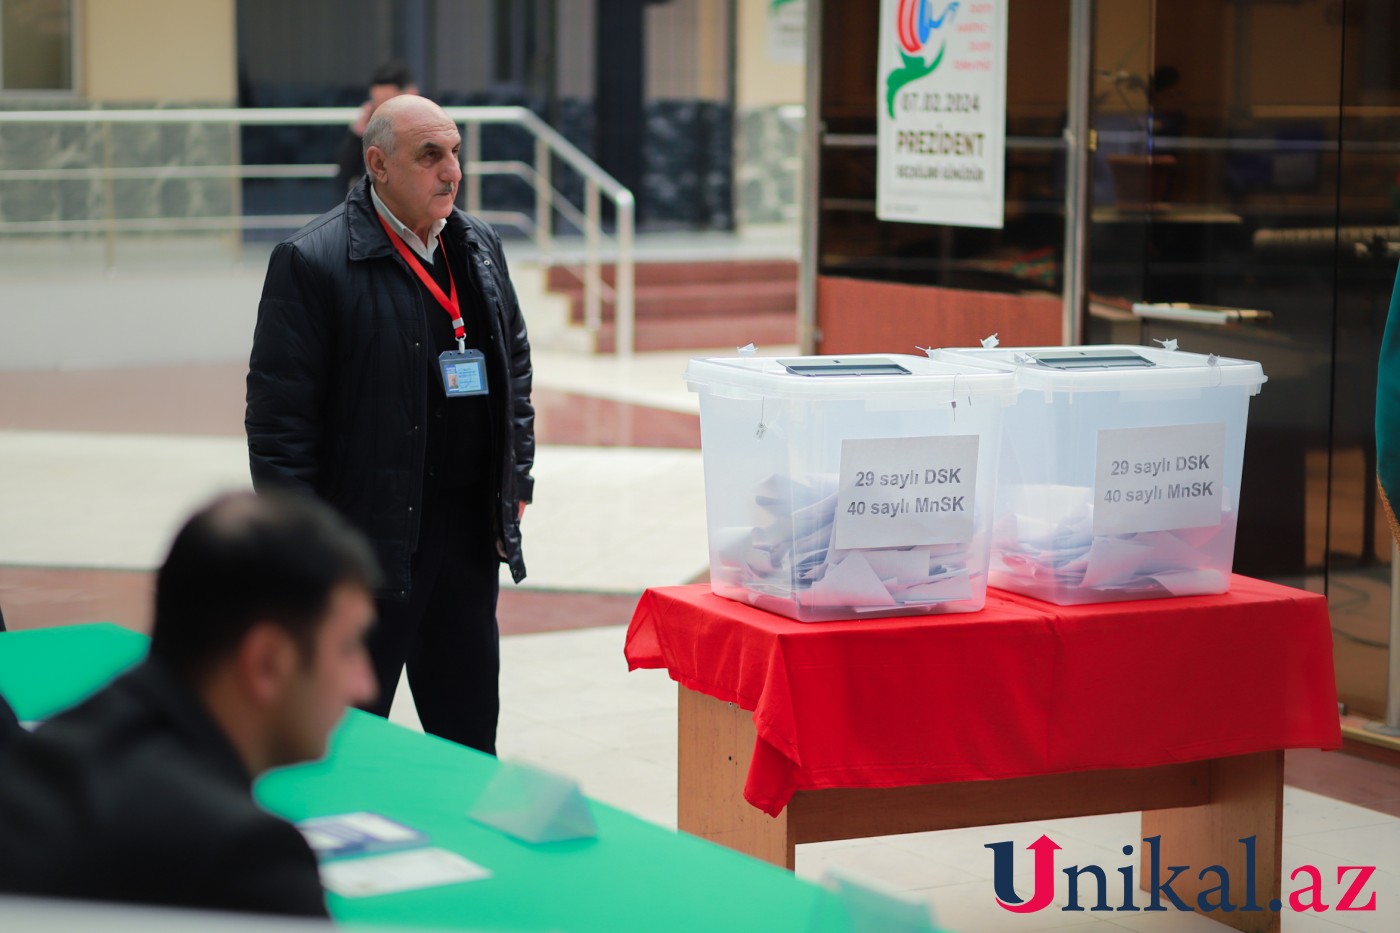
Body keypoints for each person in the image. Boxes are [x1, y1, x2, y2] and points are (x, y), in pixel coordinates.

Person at [247, 94, 535, 756]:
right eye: (429, 155)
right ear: (377, 164)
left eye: (455, 153)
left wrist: (518, 474)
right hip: (364, 555)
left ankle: (463, 855)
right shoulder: (313, 261)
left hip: (467, 543)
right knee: (346, 746)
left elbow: (513, 363)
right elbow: (279, 426)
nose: (451, 172)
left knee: (467, 744)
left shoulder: (478, 245)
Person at [0, 491, 379, 916]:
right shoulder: (245, 863)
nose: (364, 685)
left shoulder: (50, 753)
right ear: (267, 662)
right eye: (348, 648)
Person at [334, 59, 417, 193]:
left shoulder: (432, 128)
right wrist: (357, 134)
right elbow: (345, 173)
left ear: (412, 95)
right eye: (377, 104)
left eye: (389, 103)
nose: (383, 111)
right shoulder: (371, 131)